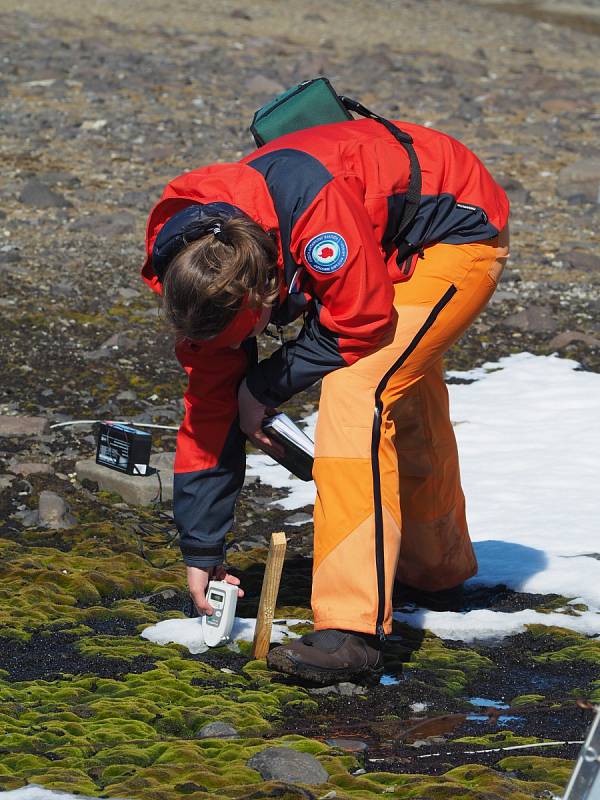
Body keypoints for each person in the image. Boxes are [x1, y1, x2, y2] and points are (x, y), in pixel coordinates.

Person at [141, 114, 509, 684]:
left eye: (248, 333)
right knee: (399, 386)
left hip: (454, 227)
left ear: (263, 296)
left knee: (358, 391)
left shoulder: (308, 216)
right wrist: (202, 548)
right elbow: (208, 410)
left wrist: (264, 387)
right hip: (379, 239)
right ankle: (435, 567)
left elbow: (360, 317)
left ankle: (352, 631)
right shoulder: (199, 271)